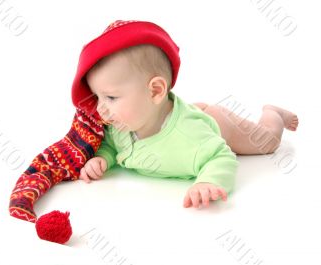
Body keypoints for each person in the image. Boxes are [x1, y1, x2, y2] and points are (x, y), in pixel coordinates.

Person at [77, 21, 299, 208]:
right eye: (97, 97)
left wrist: (208, 181)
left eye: (111, 98)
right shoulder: (121, 126)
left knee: (267, 141)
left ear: (155, 91)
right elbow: (112, 145)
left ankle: (273, 113)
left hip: (218, 123)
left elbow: (221, 157)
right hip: (176, 112)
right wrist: (102, 158)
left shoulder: (191, 138)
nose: (100, 109)